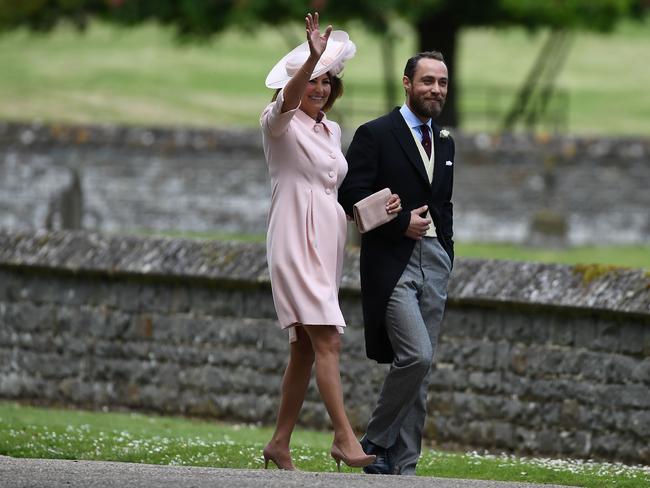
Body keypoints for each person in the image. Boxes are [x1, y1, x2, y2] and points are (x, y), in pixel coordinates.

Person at [260, 13, 397, 472]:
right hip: (294, 239)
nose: (318, 88)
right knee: (329, 340)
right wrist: (311, 58)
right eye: (312, 81)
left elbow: (333, 190)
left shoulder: (332, 131)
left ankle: (279, 443)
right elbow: (288, 100)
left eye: (325, 81)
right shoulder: (277, 123)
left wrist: (376, 211)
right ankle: (343, 437)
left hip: (328, 243)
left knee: (304, 345)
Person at [338, 51, 455, 475]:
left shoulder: (445, 142)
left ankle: (403, 467)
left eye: (442, 82)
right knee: (417, 356)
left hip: (435, 262)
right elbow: (349, 195)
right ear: (407, 84)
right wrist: (400, 221)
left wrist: (447, 249)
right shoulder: (375, 134)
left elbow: (444, 204)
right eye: (427, 81)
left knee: (420, 375)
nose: (435, 90)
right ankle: (374, 440)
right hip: (392, 264)